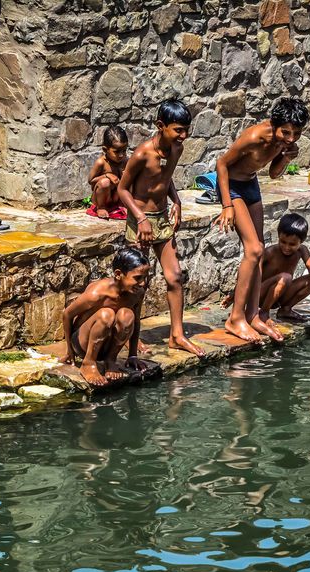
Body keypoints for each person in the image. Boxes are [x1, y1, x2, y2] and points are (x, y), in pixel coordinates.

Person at [215, 97, 309, 343]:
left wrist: (287, 157)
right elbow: (221, 164)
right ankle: (235, 319)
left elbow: (273, 173)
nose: (290, 138)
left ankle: (253, 315)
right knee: (255, 249)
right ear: (275, 124)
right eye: (285, 132)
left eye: (296, 134)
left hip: (251, 186)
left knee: (256, 252)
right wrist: (227, 206)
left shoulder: (283, 143)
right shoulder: (255, 136)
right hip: (232, 187)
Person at [117, 98, 205, 357]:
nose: (184, 135)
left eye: (186, 129)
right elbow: (123, 190)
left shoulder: (177, 149)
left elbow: (166, 179)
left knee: (175, 276)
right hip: (140, 222)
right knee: (139, 283)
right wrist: (141, 218)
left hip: (163, 217)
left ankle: (177, 335)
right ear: (160, 126)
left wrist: (176, 200)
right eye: (178, 130)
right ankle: (130, 336)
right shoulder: (143, 153)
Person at [62, 247, 150, 387]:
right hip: (83, 344)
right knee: (106, 314)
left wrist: (133, 355)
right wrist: (70, 351)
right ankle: (88, 362)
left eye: (145, 277)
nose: (143, 283)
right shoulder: (96, 294)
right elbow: (67, 315)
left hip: (106, 345)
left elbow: (136, 322)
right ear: (118, 274)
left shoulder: (137, 293)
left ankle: (110, 360)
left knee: (127, 315)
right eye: (138, 278)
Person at [225, 213, 310, 322]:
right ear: (279, 236)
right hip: (261, 295)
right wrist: (235, 294)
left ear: (301, 242)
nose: (286, 247)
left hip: (281, 294)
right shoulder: (270, 252)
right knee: (286, 277)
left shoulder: (302, 250)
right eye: (283, 242)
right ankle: (264, 312)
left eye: (292, 244)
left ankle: (285, 309)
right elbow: (249, 270)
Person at [86, 126, 129, 220]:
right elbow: (91, 181)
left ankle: (123, 205)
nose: (121, 155)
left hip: (117, 198)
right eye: (117, 152)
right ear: (105, 150)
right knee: (104, 182)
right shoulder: (101, 163)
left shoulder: (125, 161)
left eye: (124, 150)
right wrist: (107, 175)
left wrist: (125, 175)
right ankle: (101, 208)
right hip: (102, 198)